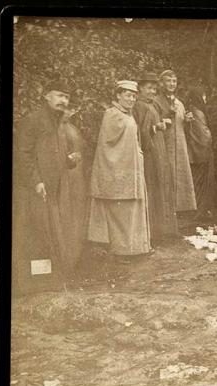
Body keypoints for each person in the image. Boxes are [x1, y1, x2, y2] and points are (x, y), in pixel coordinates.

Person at [13, 79, 87, 293]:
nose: (63, 101)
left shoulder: (56, 123)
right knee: (34, 235)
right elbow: (23, 154)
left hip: (51, 190)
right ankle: (31, 284)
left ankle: (47, 280)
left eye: (66, 97)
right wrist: (36, 180)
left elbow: (51, 156)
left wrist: (69, 160)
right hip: (33, 190)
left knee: (49, 235)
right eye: (59, 95)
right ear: (46, 96)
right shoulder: (33, 120)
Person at [87, 80, 151, 258]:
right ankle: (121, 250)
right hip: (119, 170)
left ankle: (134, 248)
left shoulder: (128, 115)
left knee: (130, 210)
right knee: (120, 211)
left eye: (134, 96)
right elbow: (107, 145)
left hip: (132, 168)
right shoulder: (112, 114)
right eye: (128, 95)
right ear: (118, 95)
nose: (132, 99)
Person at [132, 72, 178, 244]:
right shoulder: (140, 106)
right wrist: (156, 128)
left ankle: (159, 232)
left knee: (159, 189)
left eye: (153, 88)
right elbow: (141, 132)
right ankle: (151, 234)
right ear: (141, 89)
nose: (152, 91)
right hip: (150, 154)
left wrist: (161, 123)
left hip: (158, 152)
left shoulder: (151, 106)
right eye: (148, 88)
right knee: (151, 190)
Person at [154, 70, 197, 219]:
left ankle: (180, 209)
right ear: (161, 83)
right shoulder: (156, 101)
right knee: (168, 174)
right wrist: (168, 113)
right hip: (165, 145)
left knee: (180, 175)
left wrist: (187, 120)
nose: (171, 84)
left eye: (174, 81)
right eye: (168, 81)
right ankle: (167, 210)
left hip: (180, 145)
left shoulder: (179, 103)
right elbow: (155, 123)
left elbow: (182, 126)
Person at [184, 86, 215, 221]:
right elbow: (203, 134)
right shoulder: (197, 112)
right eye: (203, 97)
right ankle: (197, 213)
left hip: (195, 152)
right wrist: (209, 141)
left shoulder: (192, 110)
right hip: (200, 153)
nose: (205, 99)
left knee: (197, 183)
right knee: (199, 183)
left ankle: (196, 212)